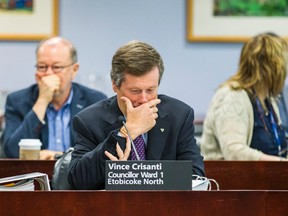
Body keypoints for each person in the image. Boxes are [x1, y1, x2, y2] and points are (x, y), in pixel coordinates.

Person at [68, 40, 205, 190]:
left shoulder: (179, 116)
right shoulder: (89, 121)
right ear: (115, 85)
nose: (144, 99)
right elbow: (78, 180)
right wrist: (127, 132)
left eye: (151, 90)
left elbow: (195, 176)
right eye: (135, 91)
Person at [1, 37, 107, 160]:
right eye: (42, 67)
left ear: (74, 70)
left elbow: (100, 154)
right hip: (34, 176)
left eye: (56, 67)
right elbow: (12, 152)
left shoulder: (95, 101)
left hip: (78, 177)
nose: (49, 74)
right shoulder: (16, 101)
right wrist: (42, 101)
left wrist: (59, 157)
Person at [201, 33, 288, 161]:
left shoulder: (268, 99)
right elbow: (234, 151)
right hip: (231, 179)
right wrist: (280, 163)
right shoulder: (232, 97)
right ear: (274, 68)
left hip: (267, 176)